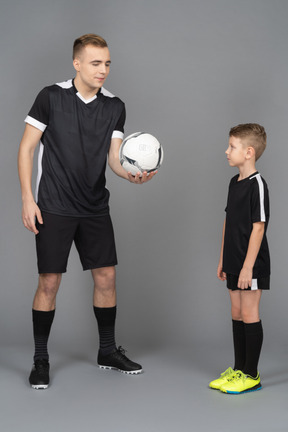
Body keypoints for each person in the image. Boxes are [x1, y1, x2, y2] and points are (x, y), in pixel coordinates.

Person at [18, 33, 156, 390]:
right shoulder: (50, 97)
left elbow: (114, 159)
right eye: (96, 63)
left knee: (106, 278)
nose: (103, 70)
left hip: (95, 206)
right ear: (77, 63)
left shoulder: (115, 106)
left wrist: (131, 175)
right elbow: (26, 149)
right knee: (49, 282)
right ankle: (40, 359)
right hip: (54, 205)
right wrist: (26, 199)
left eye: (108, 63)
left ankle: (107, 351)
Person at [209, 123, 270, 394]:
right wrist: (223, 258)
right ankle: (238, 371)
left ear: (248, 152)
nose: (226, 151)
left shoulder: (257, 184)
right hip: (233, 260)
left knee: (249, 313)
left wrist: (247, 267)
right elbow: (228, 221)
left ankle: (251, 374)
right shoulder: (233, 182)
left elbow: (259, 226)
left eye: (231, 146)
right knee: (236, 313)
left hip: (252, 264)